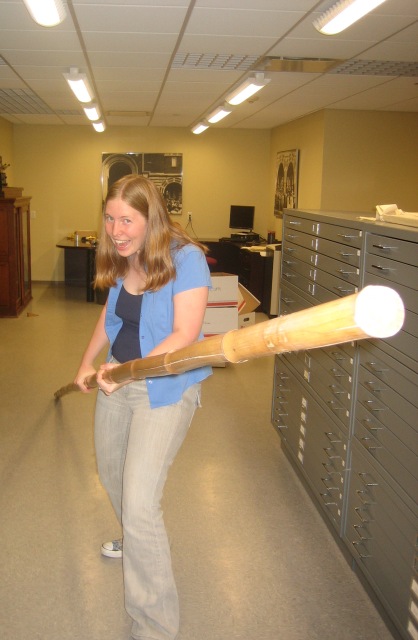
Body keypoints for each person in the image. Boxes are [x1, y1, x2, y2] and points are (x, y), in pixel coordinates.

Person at [74, 174, 212, 640]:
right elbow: (111, 314)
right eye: (110, 218)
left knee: (139, 502)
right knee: (112, 475)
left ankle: (154, 626)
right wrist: (89, 362)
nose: (116, 229)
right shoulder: (121, 254)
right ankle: (133, 538)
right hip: (119, 375)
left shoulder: (186, 259)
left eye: (126, 220)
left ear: (150, 217)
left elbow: (183, 335)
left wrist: (126, 371)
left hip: (165, 388)